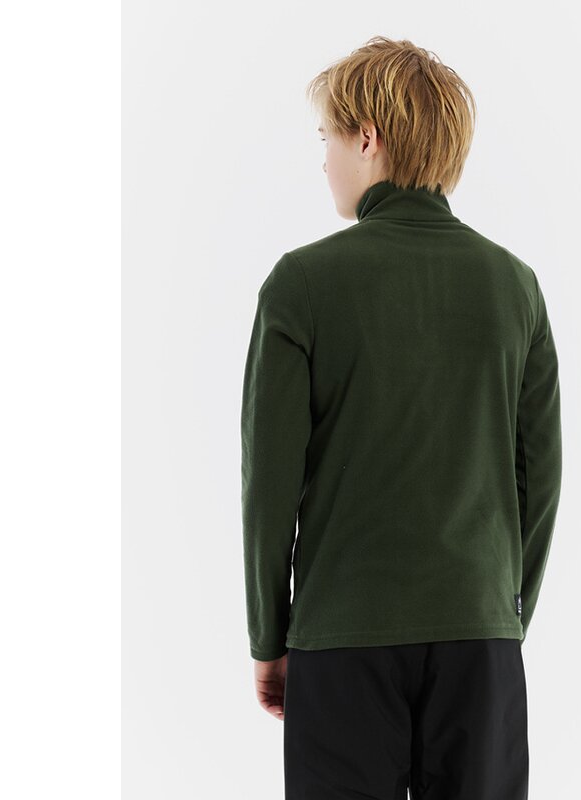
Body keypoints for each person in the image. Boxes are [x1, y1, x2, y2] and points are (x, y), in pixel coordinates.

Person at [240, 35, 563, 800]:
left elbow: (269, 485)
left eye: (327, 137)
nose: (324, 159)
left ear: (368, 138)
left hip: (341, 643)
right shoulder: (514, 287)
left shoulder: (301, 284)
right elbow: (540, 477)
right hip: (479, 639)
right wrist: (501, 611)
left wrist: (269, 635)